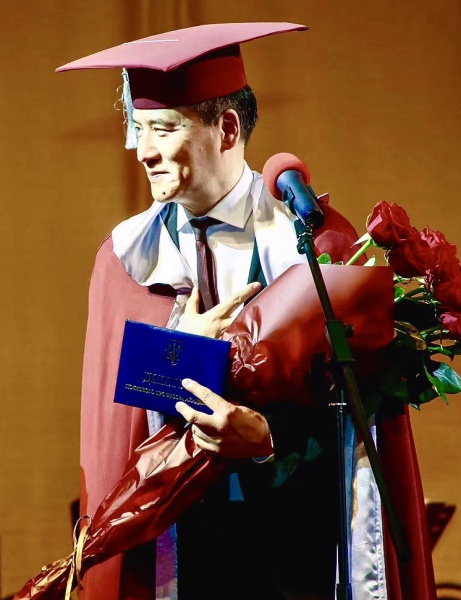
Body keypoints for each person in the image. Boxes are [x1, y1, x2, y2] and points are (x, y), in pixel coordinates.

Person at [57, 22, 436, 600]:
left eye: (164, 128)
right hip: (177, 545)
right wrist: (178, 350)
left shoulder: (315, 245)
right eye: (138, 129)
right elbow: (114, 419)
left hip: (297, 541)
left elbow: (361, 414)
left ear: (227, 129)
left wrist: (267, 438)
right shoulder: (125, 259)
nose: (144, 151)